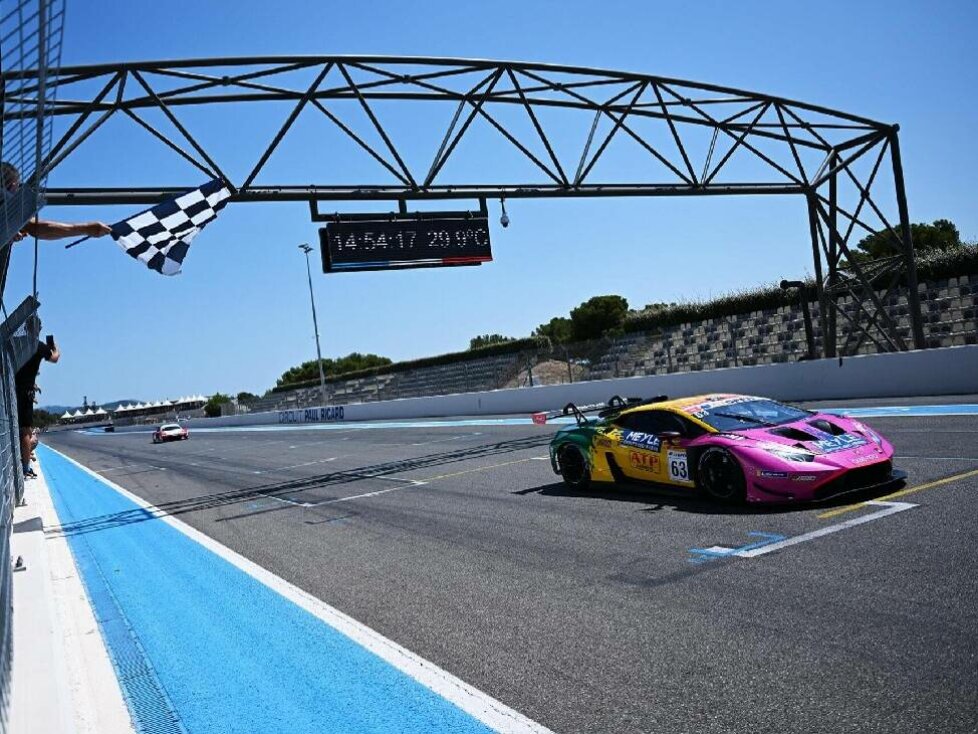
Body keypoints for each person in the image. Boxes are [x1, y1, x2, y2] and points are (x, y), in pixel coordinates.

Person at [2, 162, 111, 241]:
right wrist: (87, 228)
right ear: (12, 185)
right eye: (17, 187)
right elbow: (37, 228)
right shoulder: (5, 199)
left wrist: (10, 229)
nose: (16, 192)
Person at [15, 328, 59, 478]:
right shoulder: (38, 346)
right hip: (25, 392)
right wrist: (54, 347)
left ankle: (25, 463)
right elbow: (55, 358)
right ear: (37, 328)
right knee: (26, 431)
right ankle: (26, 468)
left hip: (14, 387)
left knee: (22, 429)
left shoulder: (18, 341)